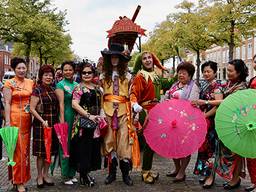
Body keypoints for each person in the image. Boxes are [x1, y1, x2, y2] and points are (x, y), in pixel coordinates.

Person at [195, 59, 248, 190]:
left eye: (231, 71)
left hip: (237, 123)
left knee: (237, 153)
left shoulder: (241, 87)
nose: (228, 73)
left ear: (239, 72)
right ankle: (231, 178)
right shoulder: (229, 83)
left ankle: (235, 179)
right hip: (226, 122)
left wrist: (206, 102)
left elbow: (226, 102)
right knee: (226, 151)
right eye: (227, 70)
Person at [100, 43, 135, 186]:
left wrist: (134, 108)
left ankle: (126, 174)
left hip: (124, 111)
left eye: (117, 57)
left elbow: (132, 93)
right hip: (107, 110)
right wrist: (101, 109)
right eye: (112, 57)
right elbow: (99, 95)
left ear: (122, 59)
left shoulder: (128, 76)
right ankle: (111, 173)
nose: (114, 59)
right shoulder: (103, 76)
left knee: (124, 142)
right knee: (109, 141)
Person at [130, 51, 166, 184]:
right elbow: (134, 92)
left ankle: (148, 169)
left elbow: (166, 84)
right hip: (146, 112)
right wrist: (134, 104)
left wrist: (181, 74)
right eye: (144, 58)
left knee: (153, 144)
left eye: (149, 57)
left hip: (157, 112)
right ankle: (145, 172)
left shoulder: (156, 75)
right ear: (141, 62)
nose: (147, 60)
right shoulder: (140, 76)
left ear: (153, 59)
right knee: (149, 144)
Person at [3, 57, 34, 192]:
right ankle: (19, 182)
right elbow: (7, 103)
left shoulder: (30, 82)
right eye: (18, 68)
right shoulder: (9, 83)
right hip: (15, 119)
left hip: (27, 120)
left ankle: (18, 179)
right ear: (14, 69)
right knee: (17, 152)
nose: (21, 70)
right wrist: (8, 123)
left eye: (23, 68)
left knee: (25, 152)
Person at [165, 61, 199, 183]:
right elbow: (167, 98)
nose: (181, 75)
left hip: (186, 121)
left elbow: (193, 104)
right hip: (172, 120)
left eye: (184, 73)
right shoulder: (174, 85)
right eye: (179, 73)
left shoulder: (193, 87)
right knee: (173, 145)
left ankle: (182, 171)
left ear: (190, 75)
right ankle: (177, 168)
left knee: (184, 146)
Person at [192, 61, 223, 189]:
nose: (206, 73)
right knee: (203, 149)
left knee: (212, 150)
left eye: (208, 71)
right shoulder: (204, 85)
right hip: (204, 123)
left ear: (215, 72)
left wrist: (205, 115)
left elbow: (218, 105)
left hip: (213, 123)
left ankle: (211, 177)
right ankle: (205, 173)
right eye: (204, 71)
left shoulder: (217, 86)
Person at [71, 62, 102, 187]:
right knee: (83, 150)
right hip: (83, 124)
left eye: (89, 72)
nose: (87, 74)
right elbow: (74, 104)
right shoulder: (79, 88)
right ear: (80, 74)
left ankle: (87, 173)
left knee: (92, 149)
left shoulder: (97, 88)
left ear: (93, 73)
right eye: (84, 73)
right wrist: (89, 115)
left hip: (95, 124)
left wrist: (100, 117)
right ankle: (83, 176)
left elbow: (102, 103)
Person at [30, 65, 59, 188]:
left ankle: (46, 175)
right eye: (46, 75)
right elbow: (32, 109)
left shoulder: (53, 89)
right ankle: (40, 176)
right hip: (41, 125)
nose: (48, 77)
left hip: (52, 124)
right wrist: (42, 121)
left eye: (50, 75)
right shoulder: (37, 90)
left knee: (50, 151)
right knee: (41, 153)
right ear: (41, 76)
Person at [54, 61, 78, 185]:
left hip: (76, 118)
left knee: (74, 145)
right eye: (65, 70)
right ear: (62, 71)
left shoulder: (77, 84)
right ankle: (64, 175)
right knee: (65, 145)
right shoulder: (60, 85)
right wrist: (62, 121)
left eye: (70, 69)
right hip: (66, 116)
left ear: (74, 71)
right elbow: (61, 105)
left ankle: (72, 173)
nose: (68, 72)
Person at [245, 54, 256, 192]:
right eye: (255, 61)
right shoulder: (252, 79)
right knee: (251, 153)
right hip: (251, 118)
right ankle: (254, 181)